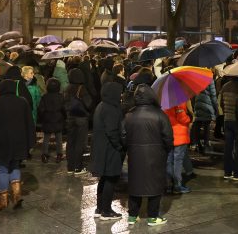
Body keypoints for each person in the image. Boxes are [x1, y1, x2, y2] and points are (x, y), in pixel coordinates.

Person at [122, 84, 173, 225]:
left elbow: (123, 136)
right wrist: (165, 150)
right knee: (155, 184)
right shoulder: (160, 114)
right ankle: (153, 216)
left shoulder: (129, 115)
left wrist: (129, 148)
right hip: (156, 155)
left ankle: (132, 215)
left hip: (135, 154)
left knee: (135, 183)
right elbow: (168, 137)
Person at [0, 79, 35, 210]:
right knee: (14, 166)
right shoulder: (22, 102)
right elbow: (30, 123)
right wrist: (31, 142)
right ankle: (17, 196)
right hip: (19, 141)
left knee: (2, 169)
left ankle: (3, 200)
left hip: (1, 142)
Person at [91, 83, 125, 219]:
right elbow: (112, 131)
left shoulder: (101, 105)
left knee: (104, 178)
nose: (121, 95)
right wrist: (119, 146)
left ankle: (100, 208)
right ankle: (106, 210)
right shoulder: (111, 108)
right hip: (109, 149)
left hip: (101, 148)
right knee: (111, 178)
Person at [64, 68, 92, 174]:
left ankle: (70, 167)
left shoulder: (67, 88)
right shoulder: (82, 89)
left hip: (70, 118)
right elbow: (88, 104)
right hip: (81, 118)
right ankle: (77, 167)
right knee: (80, 143)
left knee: (70, 142)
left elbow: (64, 104)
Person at [218, 74, 238, 181]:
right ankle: (237, 173)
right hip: (237, 121)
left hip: (227, 120)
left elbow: (221, 103)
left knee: (228, 146)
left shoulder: (225, 86)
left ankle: (227, 172)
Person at [165, 101, 192, 194]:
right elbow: (182, 118)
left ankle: (168, 185)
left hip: (168, 133)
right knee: (178, 161)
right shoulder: (178, 100)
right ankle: (177, 185)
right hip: (179, 135)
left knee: (169, 161)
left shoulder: (164, 101)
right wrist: (189, 118)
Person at [38, 77, 67, 163]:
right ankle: (59, 154)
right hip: (58, 119)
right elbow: (64, 108)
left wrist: (42, 118)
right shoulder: (61, 97)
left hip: (47, 119)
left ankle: (44, 154)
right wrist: (64, 117)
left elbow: (41, 109)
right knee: (59, 138)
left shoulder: (44, 97)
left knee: (46, 137)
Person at [191, 73, 219, 154]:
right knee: (206, 126)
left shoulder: (195, 79)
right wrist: (216, 108)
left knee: (197, 124)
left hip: (197, 104)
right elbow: (213, 95)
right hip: (207, 105)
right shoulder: (209, 79)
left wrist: (193, 105)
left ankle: (197, 144)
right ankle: (206, 146)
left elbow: (192, 94)